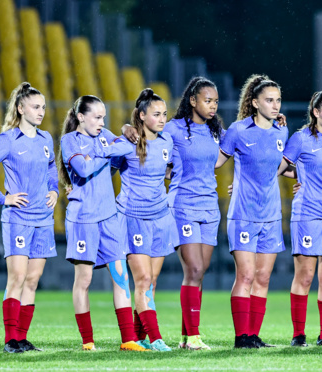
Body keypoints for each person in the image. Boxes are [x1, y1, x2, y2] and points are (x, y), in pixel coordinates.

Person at [123, 77, 223, 351]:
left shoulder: (216, 131)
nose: (213, 105)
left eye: (215, 101)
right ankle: (192, 337)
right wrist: (127, 127)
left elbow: (236, 150)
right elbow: (147, 136)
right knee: (194, 269)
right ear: (192, 101)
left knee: (198, 274)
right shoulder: (174, 129)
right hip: (182, 205)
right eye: (207, 100)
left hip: (210, 207)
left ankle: (150, 335)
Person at [0, 82, 58, 353]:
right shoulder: (8, 139)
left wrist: (54, 190)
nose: (41, 111)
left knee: (33, 279)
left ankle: (22, 338)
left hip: (43, 219)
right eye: (35, 107)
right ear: (21, 109)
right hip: (18, 218)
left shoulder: (46, 139)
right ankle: (10, 340)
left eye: (43, 107)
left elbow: (52, 168)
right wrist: (3, 197)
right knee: (18, 277)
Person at [58, 95, 146, 352]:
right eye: (96, 117)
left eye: (104, 117)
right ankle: (87, 341)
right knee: (84, 279)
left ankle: (128, 340)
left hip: (109, 217)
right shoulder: (69, 140)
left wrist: (100, 151)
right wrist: (107, 151)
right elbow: (82, 171)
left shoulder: (103, 136)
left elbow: (128, 148)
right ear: (81, 116)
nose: (101, 122)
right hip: (83, 219)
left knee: (121, 277)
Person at [216, 74, 289, 348]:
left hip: (271, 214)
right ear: (255, 102)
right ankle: (241, 337)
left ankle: (254, 337)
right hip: (243, 214)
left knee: (263, 277)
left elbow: (281, 169)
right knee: (245, 275)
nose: (275, 105)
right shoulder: (237, 130)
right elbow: (216, 162)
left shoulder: (282, 132)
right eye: (269, 100)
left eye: (278, 100)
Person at [105, 89, 177, 351]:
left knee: (152, 282)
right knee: (143, 280)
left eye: (165, 114)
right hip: (133, 218)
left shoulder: (167, 142)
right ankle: (156, 338)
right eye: (156, 114)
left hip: (160, 218)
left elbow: (168, 171)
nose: (162, 119)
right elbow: (104, 170)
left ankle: (138, 337)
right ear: (142, 115)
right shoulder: (127, 144)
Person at [277, 90, 322, 347]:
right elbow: (279, 168)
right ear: (316, 112)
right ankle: (298, 335)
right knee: (305, 277)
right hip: (308, 214)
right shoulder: (301, 139)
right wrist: (301, 178)